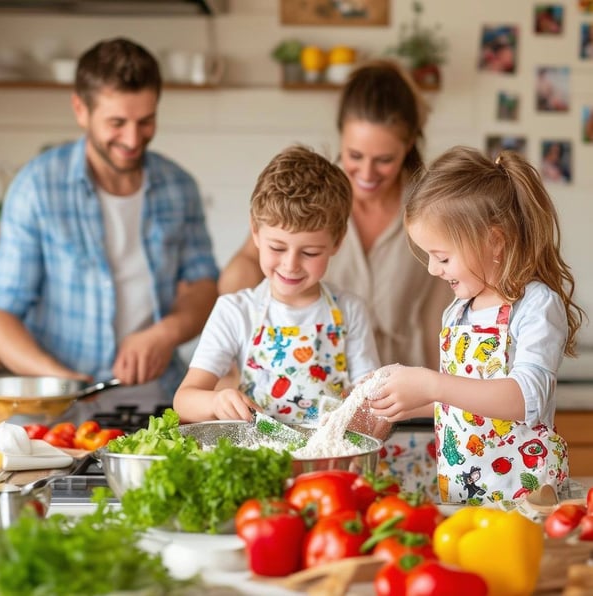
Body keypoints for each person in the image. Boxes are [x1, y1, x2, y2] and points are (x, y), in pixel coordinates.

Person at [218, 59, 451, 494]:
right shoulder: (316, 201)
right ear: (340, 137)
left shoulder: (427, 206)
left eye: (384, 159)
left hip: (408, 404)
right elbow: (240, 270)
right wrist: (240, 344)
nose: (365, 173)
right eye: (354, 155)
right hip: (319, 405)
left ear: (409, 146)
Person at [0, 37, 219, 421]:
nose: (133, 140)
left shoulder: (179, 186)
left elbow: (204, 286)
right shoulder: (36, 187)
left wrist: (164, 334)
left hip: (159, 404)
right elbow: (3, 314)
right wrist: (58, 380)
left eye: (145, 121)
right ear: (81, 109)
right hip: (59, 415)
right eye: (117, 123)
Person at [368, 145, 585, 504]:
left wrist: (430, 384)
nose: (432, 269)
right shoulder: (457, 311)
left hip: (524, 499)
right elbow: (460, 402)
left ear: (494, 242)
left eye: (442, 257)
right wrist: (400, 402)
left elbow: (525, 398)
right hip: (461, 494)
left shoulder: (535, 304)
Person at [174, 145, 380, 425]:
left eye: (310, 253)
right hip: (257, 462)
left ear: (337, 241)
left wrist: (363, 418)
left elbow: (369, 399)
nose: (291, 264)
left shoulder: (350, 310)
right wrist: (216, 400)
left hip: (327, 459)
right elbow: (184, 400)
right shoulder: (235, 311)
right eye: (277, 247)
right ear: (256, 232)